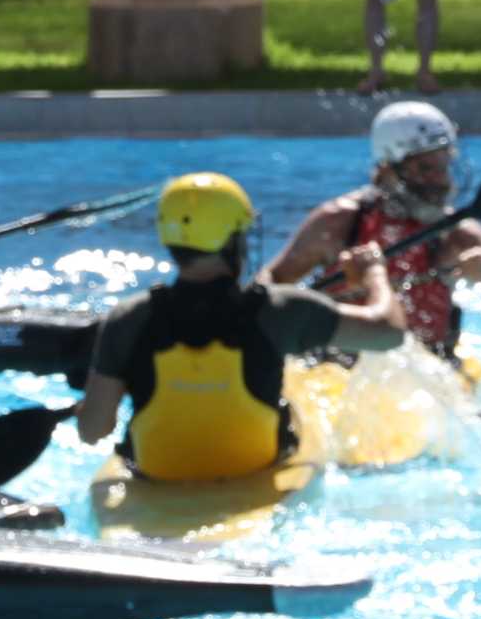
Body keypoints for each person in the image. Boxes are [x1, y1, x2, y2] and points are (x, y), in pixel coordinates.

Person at [77, 173, 409, 482]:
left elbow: (92, 430)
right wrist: (374, 276)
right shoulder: (281, 310)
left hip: (157, 475)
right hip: (256, 470)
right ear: (234, 241)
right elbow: (388, 333)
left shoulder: (127, 318)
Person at [261, 101, 481, 363]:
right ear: (387, 169)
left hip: (428, 368)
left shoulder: (459, 234)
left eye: (443, 166)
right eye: (425, 168)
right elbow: (269, 282)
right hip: (337, 368)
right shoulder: (339, 223)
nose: (440, 181)